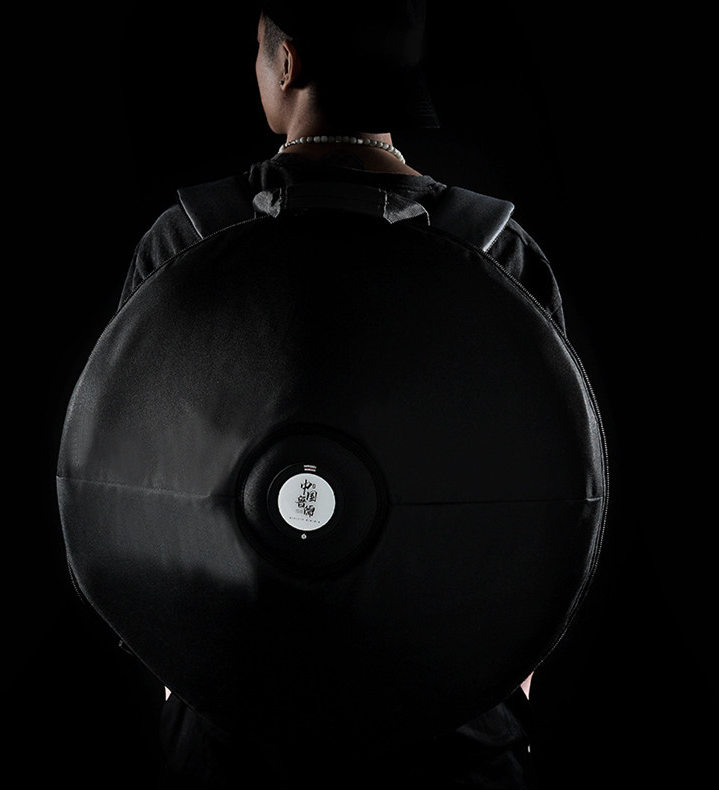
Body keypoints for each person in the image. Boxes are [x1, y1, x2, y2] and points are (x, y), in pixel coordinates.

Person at [120, 3, 563, 787]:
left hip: (234, 711)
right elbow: (560, 497)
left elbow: (124, 482)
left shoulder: (188, 242)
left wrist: (173, 665)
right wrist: (514, 675)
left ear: (286, 63)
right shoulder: (498, 253)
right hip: (452, 715)